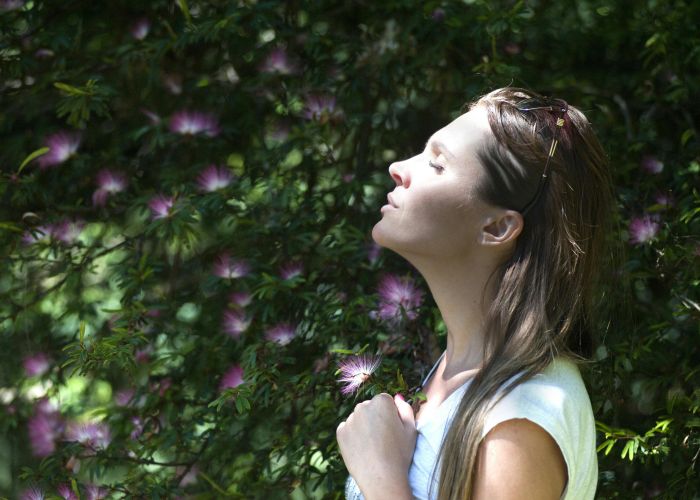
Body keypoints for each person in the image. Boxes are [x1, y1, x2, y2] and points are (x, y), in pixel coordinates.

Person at [337, 87, 615, 500]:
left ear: (497, 228)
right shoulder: (459, 373)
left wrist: (380, 477)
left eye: (436, 164)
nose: (397, 167)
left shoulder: (520, 417)